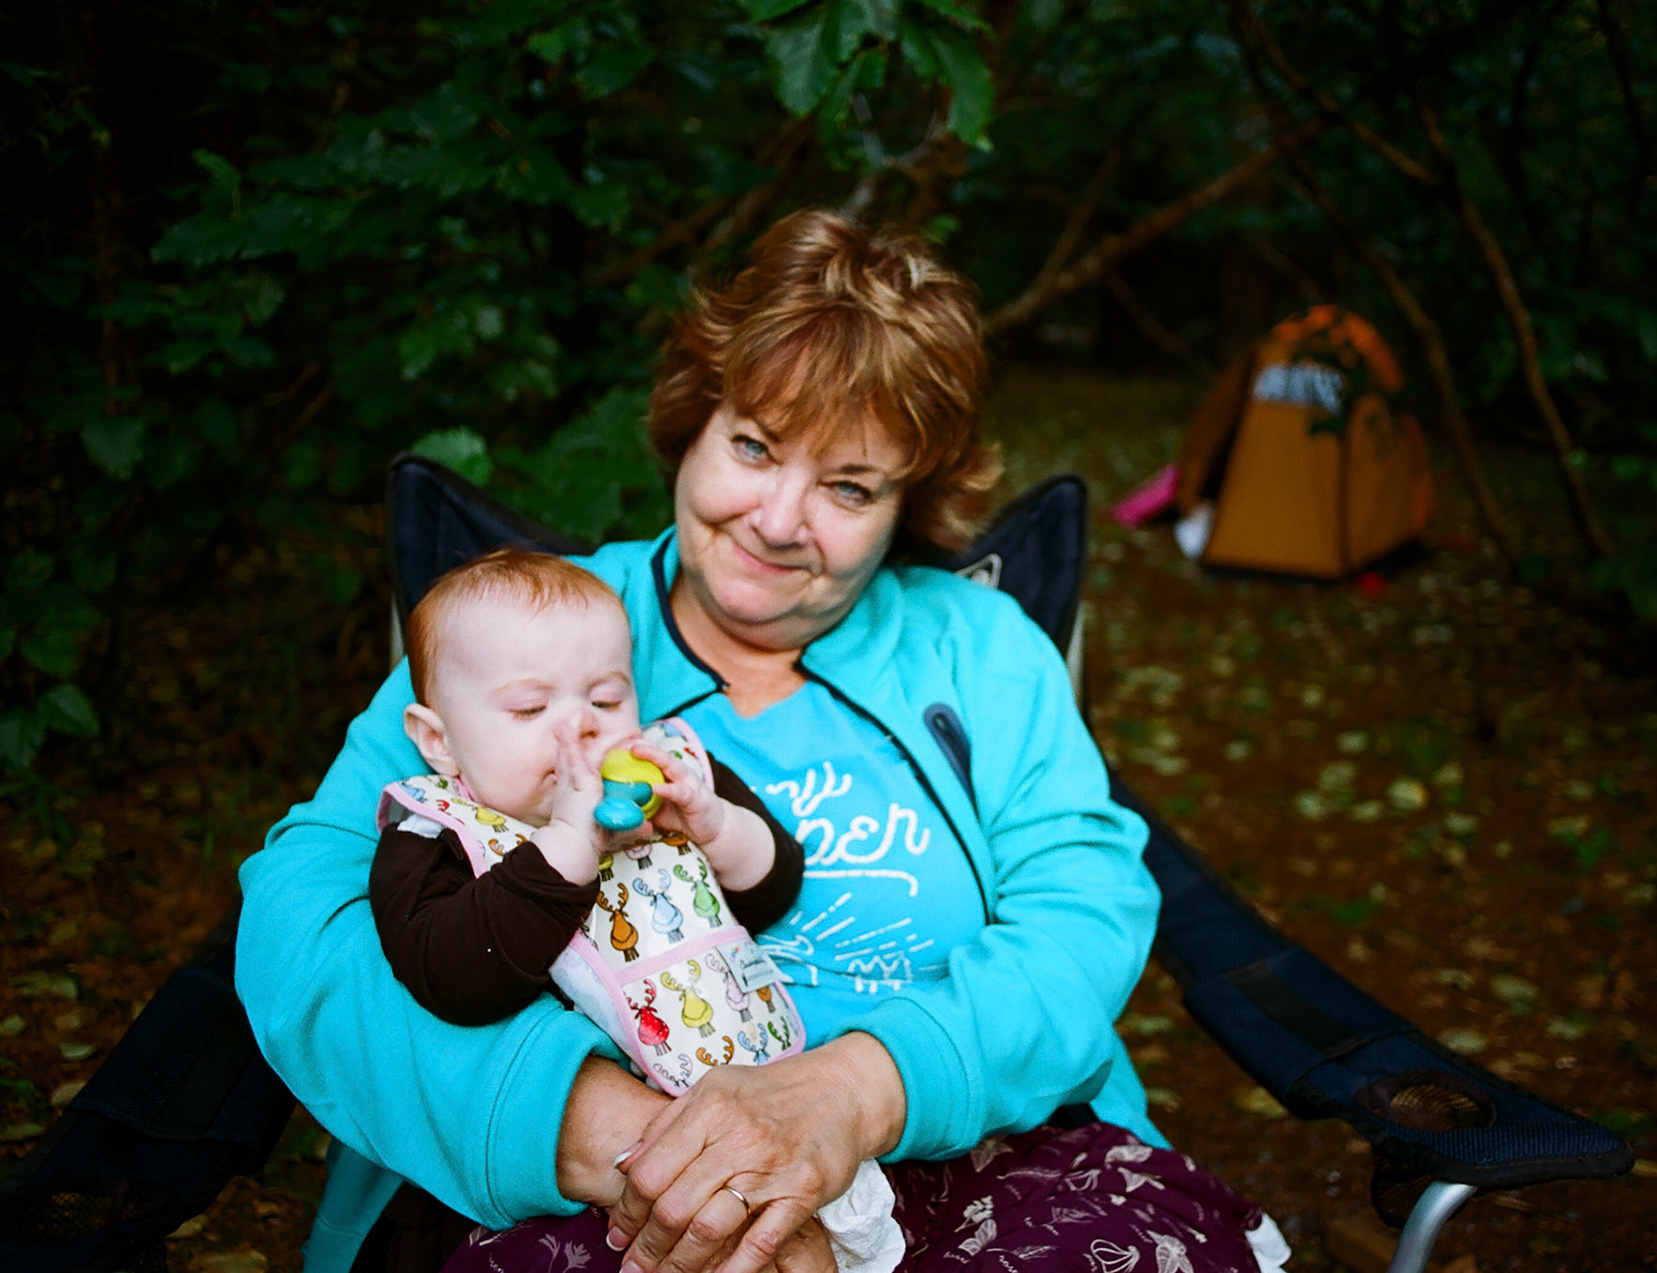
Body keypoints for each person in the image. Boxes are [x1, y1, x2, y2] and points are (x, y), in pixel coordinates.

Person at [235, 209, 1290, 1273]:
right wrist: (629, 1141)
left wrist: (852, 1093)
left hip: (972, 1144)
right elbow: (300, 913)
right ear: (693, 423)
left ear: (907, 505)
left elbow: (1085, 910)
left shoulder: (979, 648)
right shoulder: (524, 641)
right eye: (754, 445)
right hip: (610, 1171)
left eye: (849, 485)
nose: (780, 521)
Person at [366, 549, 902, 1271]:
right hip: (581, 1176)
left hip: (758, 1099)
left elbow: (775, 886)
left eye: (607, 699)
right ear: (439, 740)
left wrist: (716, 826)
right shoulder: (437, 834)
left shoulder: (667, 773)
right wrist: (567, 845)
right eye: (530, 709)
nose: (581, 729)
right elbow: (453, 978)